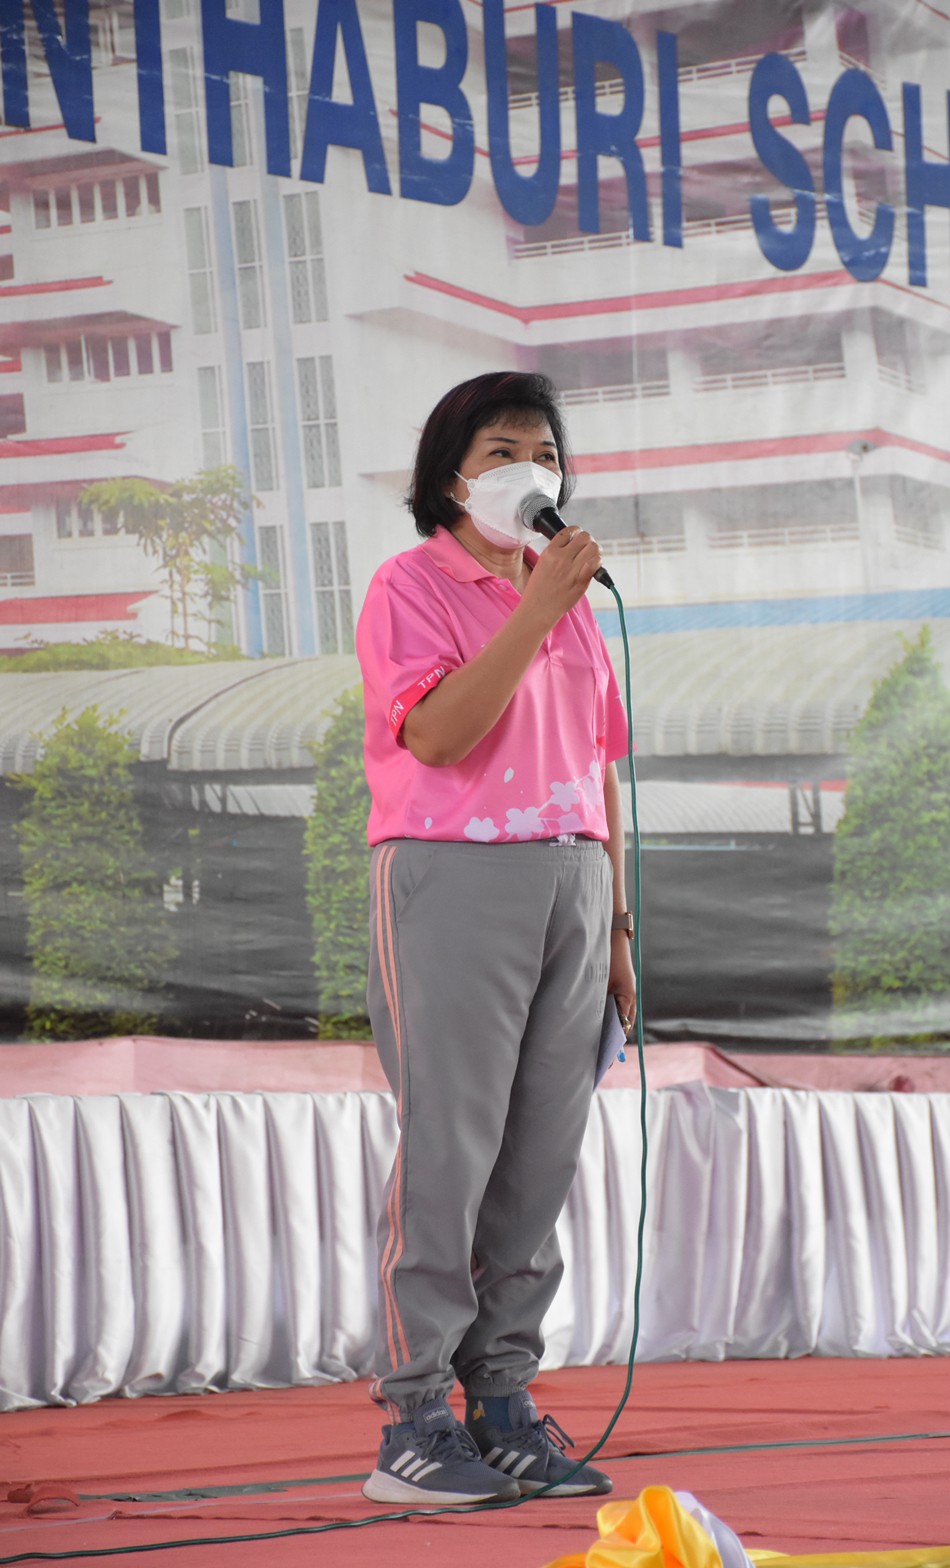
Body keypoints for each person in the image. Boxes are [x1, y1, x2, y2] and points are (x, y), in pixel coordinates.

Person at [354, 371, 637, 1507]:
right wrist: (535, 609)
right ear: (452, 478)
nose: (532, 471)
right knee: (451, 1150)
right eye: (503, 452)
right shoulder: (412, 585)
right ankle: (415, 1419)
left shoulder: (570, 604)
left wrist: (617, 926)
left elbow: (597, 766)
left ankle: (504, 1403)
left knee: (538, 1159)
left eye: (546, 452)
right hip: (455, 872)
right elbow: (436, 733)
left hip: (574, 879)